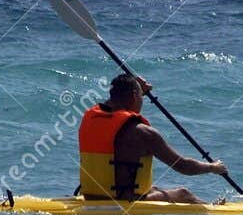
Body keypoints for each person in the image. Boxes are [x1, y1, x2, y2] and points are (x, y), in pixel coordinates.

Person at [78, 72, 229, 204]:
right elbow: (182, 166)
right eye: (140, 96)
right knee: (184, 194)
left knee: (155, 189)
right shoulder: (142, 133)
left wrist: (135, 88)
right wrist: (213, 167)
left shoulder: (90, 118)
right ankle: (213, 209)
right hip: (124, 201)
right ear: (133, 96)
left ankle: (211, 205)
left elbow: (115, 102)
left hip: (91, 196)